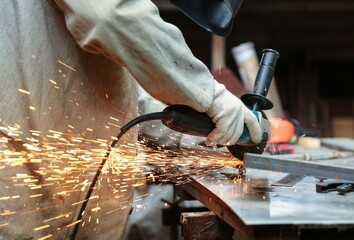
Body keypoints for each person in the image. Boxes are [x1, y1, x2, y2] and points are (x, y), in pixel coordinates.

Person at [0, 0, 261, 239]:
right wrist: (210, 94)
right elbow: (110, 14)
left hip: (72, 198)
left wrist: (195, 131)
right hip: (26, 188)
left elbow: (124, 91)